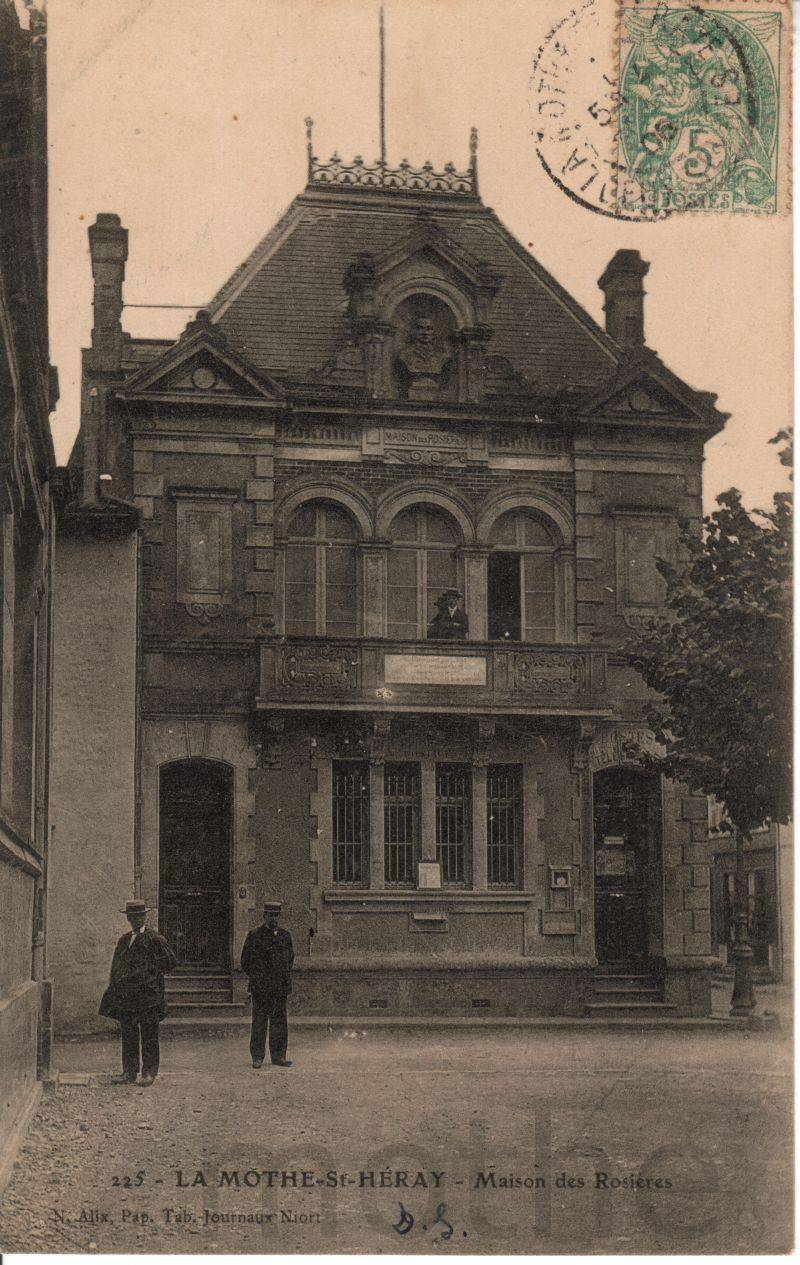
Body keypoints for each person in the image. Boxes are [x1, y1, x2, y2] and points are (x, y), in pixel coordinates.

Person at [99, 899, 176, 1086]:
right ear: (128, 919)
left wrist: (151, 978)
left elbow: (170, 963)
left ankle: (149, 1073)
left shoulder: (155, 939)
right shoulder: (124, 940)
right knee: (128, 1033)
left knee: (149, 1034)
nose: (135, 920)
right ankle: (129, 1072)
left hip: (148, 996)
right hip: (127, 996)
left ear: (145, 917)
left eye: (139, 916)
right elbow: (116, 967)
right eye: (132, 917)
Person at [240, 901, 294, 1068]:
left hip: (279, 987)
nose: (273, 918)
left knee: (279, 1023)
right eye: (270, 915)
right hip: (261, 987)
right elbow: (245, 961)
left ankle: (279, 1057)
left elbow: (290, 959)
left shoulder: (285, 936)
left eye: (276, 915)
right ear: (264, 916)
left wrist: (281, 977)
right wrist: (258, 978)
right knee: (259, 1023)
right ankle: (257, 1057)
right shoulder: (254, 935)